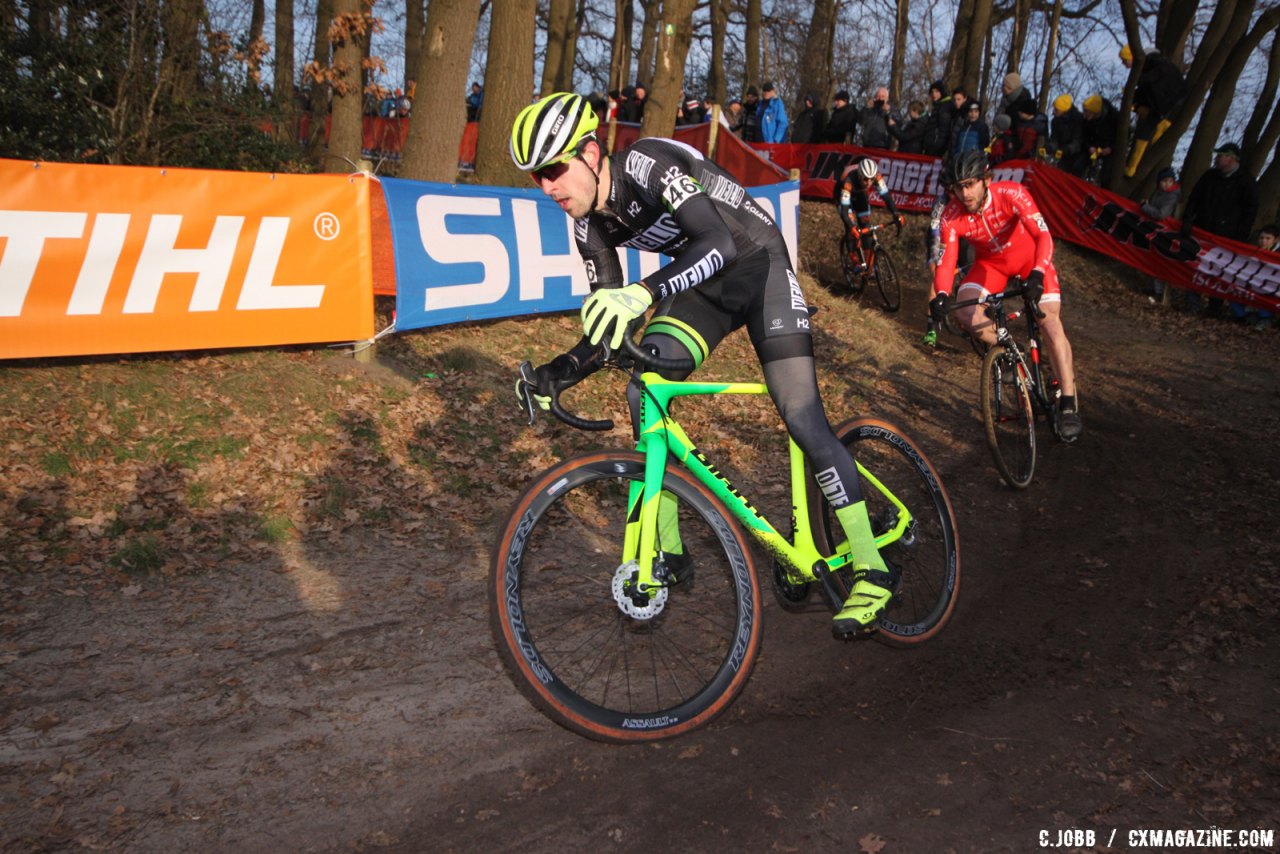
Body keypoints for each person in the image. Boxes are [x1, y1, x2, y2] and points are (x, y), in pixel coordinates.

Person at [509, 92, 900, 635]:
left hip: (757, 264)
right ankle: (668, 553)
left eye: (554, 169)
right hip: (704, 286)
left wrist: (643, 293)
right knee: (643, 389)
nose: (548, 186)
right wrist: (561, 369)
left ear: (592, 152)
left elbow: (717, 239)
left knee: (801, 413)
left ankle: (872, 568)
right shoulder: (587, 228)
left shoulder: (648, 164)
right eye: (536, 177)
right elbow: (612, 327)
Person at [928, 150, 1083, 440]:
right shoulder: (952, 214)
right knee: (965, 312)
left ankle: (1069, 404)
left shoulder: (1012, 193)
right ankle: (1013, 351)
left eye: (971, 183)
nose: (965, 192)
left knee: (1049, 322)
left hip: (1030, 260)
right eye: (959, 186)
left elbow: (1043, 236)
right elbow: (947, 260)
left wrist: (1038, 272)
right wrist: (942, 295)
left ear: (986, 180)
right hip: (991, 266)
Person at [1182, 142, 1260, 316]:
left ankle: (1214, 305)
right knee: (1197, 265)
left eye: (1220, 156)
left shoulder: (1246, 181)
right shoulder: (1209, 176)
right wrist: (1187, 220)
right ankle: (1192, 301)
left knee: (1221, 271)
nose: (1216, 159)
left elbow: (1250, 210)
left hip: (1228, 236)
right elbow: (1194, 198)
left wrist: (1240, 235)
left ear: (1231, 159)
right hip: (1203, 229)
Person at [1121, 45, 1188, 177]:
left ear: (1132, 57)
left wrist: (1137, 86)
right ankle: (1132, 167)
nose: (1124, 64)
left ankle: (1132, 167)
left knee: (1146, 130)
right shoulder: (1152, 63)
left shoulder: (1154, 63)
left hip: (1165, 103)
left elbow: (1153, 80)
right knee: (1147, 124)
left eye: (1125, 60)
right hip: (1165, 104)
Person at [834, 155, 906, 272]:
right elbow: (845, 211)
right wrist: (852, 227)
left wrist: (896, 213)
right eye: (865, 179)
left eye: (871, 179)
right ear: (860, 175)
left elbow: (886, 196)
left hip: (859, 194)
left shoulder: (876, 176)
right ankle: (854, 260)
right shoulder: (848, 181)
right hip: (842, 196)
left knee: (866, 225)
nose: (868, 183)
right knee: (851, 226)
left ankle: (868, 263)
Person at [1140, 167, 1181, 303]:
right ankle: (1151, 287)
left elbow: (1161, 214)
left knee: (1160, 262)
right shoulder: (1157, 193)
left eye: (1170, 181)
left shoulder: (1172, 196)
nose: (1167, 184)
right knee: (1151, 258)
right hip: (1155, 231)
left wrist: (1145, 207)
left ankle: (1159, 292)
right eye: (1164, 181)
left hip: (1166, 233)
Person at [1081, 94, 1119, 180]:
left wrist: (1111, 148)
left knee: (1107, 174)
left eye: (1086, 111)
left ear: (1094, 111)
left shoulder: (1114, 117)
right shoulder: (1087, 120)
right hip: (1093, 148)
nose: (1084, 114)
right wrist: (1089, 147)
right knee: (1079, 164)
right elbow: (1084, 136)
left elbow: (1122, 138)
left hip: (1110, 149)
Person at [1048, 94, 1086, 176]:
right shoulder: (1055, 121)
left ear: (1063, 110)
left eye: (1056, 109)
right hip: (1062, 156)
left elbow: (1078, 140)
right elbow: (1054, 138)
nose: (1054, 111)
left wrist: (1068, 149)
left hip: (1077, 156)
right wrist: (1051, 147)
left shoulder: (1078, 119)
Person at [922, 81, 956, 157]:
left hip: (936, 147)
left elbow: (944, 128)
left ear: (942, 92)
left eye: (937, 91)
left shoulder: (945, 107)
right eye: (932, 92)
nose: (934, 94)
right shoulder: (937, 106)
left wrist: (937, 145)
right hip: (931, 144)